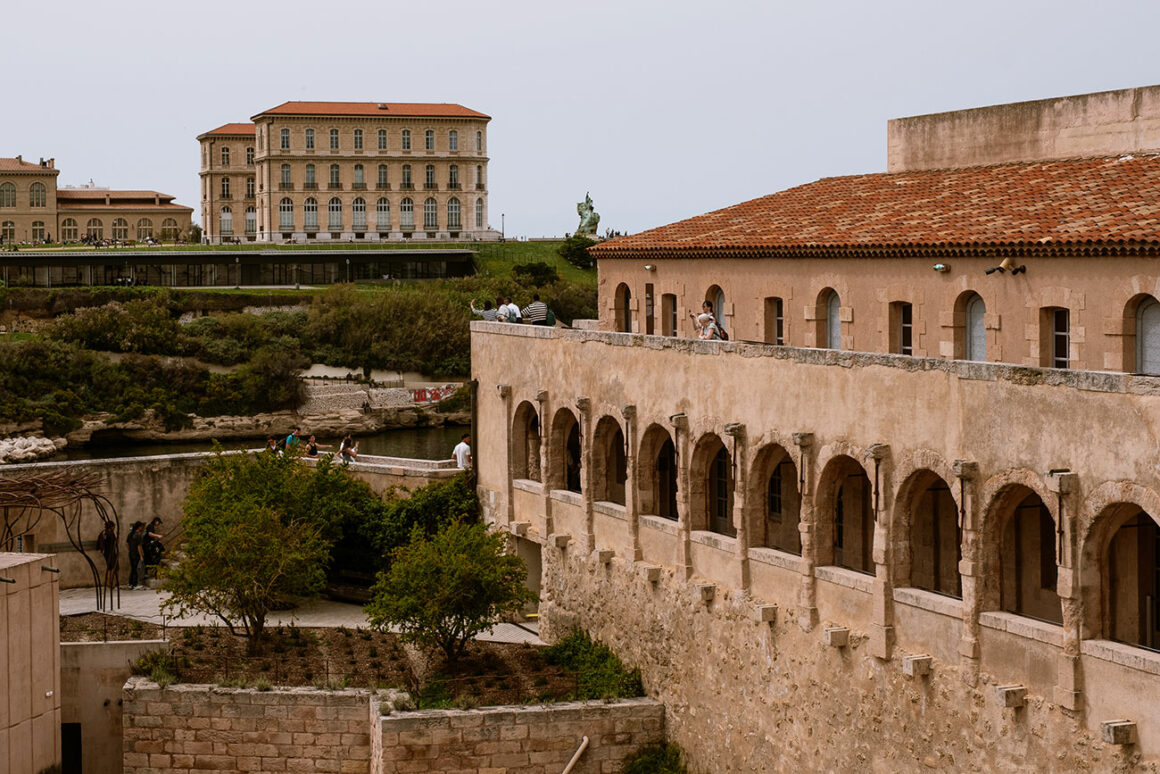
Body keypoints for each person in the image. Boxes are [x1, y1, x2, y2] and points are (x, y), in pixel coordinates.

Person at [96, 521, 119, 591]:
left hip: (106, 553)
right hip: (111, 553)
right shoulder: (111, 534)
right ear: (111, 526)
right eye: (113, 526)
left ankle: (109, 583)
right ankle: (112, 584)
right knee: (113, 568)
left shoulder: (103, 533)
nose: (114, 528)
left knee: (109, 568)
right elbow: (115, 543)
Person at [126, 521, 145, 589]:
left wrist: (130, 549)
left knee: (133, 568)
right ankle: (134, 584)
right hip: (136, 554)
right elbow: (139, 546)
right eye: (141, 527)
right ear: (139, 527)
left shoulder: (130, 534)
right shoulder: (138, 535)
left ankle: (130, 583)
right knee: (135, 569)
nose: (142, 528)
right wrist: (141, 555)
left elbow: (127, 544)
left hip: (131, 553)